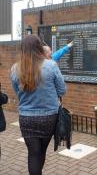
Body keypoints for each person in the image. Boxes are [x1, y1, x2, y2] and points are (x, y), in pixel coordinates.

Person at [10, 35, 66, 175]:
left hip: (26, 118)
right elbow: (62, 90)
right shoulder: (51, 65)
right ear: (39, 47)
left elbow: (18, 93)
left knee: (33, 153)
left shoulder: (15, 69)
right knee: (41, 152)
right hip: (49, 117)